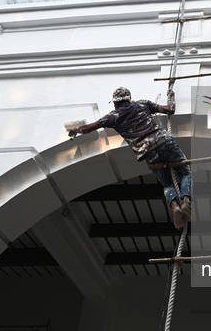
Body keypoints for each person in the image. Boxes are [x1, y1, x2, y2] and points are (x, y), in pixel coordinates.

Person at [68, 87, 192, 230]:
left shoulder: (113, 116)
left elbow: (88, 128)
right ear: (128, 98)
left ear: (115, 102)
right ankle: (186, 201)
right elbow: (170, 109)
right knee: (184, 172)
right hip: (164, 142)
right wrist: (171, 96)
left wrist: (75, 130)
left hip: (148, 151)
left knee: (167, 183)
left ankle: (175, 207)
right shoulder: (142, 104)